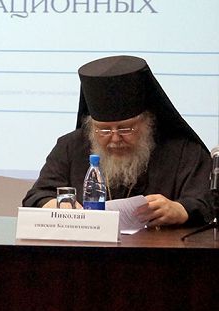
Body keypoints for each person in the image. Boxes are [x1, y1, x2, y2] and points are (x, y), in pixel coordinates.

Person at [23, 55, 212, 226]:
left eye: (125, 128)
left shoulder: (184, 151)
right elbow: (36, 196)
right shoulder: (70, 146)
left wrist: (180, 210)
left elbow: (206, 203)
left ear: (147, 122)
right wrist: (57, 206)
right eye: (104, 130)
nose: (115, 138)